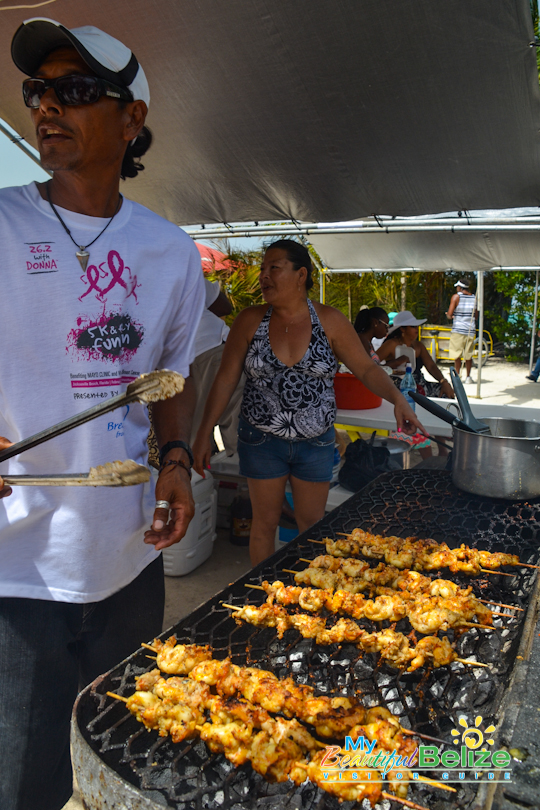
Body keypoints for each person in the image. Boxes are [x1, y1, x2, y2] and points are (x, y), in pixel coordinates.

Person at [0, 18, 205, 810]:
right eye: (36, 92)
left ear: (131, 118)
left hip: (128, 563)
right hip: (18, 570)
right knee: (23, 786)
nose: (47, 107)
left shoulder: (171, 253)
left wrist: (179, 458)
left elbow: (170, 377)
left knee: (122, 760)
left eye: (76, 90)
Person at [193, 240, 425, 566]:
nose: (264, 276)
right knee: (264, 525)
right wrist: (204, 432)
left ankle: (309, 597)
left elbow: (366, 368)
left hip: (315, 443)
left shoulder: (329, 320)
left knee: (312, 529)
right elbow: (226, 379)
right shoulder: (249, 320)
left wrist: (399, 399)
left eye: (274, 268)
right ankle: (266, 596)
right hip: (260, 440)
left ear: (301, 274)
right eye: (263, 269)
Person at [190, 278, 244, 454]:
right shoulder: (183, 269)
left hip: (201, 353)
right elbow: (222, 306)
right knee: (237, 428)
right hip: (220, 347)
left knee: (193, 439)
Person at [377, 311, 455, 399]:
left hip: (419, 383)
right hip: (398, 384)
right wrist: (395, 363)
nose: (417, 329)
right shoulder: (391, 344)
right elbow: (373, 365)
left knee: (446, 392)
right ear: (402, 329)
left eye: (417, 326)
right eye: (413, 326)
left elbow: (431, 366)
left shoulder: (419, 346)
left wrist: (444, 382)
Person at [446, 279, 477, 383]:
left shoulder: (456, 297)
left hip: (458, 329)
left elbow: (450, 314)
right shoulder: (474, 298)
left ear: (460, 287)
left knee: (457, 354)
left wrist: (450, 315)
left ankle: (458, 375)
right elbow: (476, 315)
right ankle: (468, 377)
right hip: (470, 329)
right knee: (468, 354)